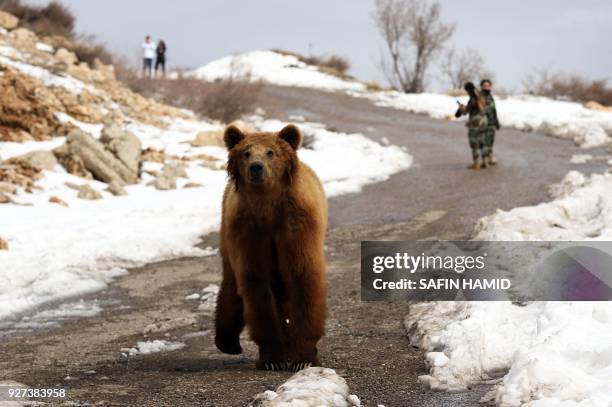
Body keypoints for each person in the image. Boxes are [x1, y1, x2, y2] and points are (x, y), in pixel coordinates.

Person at [455, 82, 489, 170]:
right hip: (484, 121)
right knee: (483, 141)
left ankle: (476, 164)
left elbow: (466, 111)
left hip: (475, 123)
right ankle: (485, 161)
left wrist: (461, 108)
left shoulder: (473, 98)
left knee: (474, 143)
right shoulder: (481, 96)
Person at [480, 79, 501, 164]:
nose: (487, 87)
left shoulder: (490, 97)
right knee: (484, 142)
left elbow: (494, 110)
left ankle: (490, 156)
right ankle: (484, 159)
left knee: (491, 140)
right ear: (482, 86)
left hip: (491, 123)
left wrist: (496, 122)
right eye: (485, 86)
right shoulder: (479, 97)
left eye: (488, 86)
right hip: (483, 123)